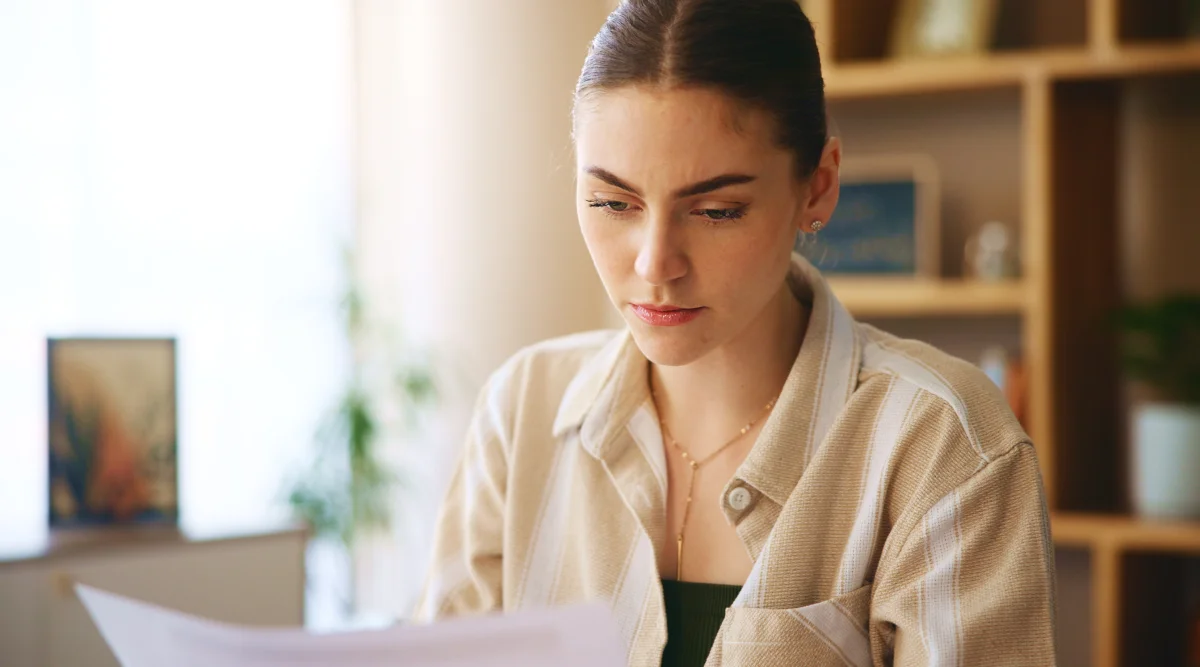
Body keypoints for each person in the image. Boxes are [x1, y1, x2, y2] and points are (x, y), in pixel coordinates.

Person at [414, 0, 1057, 665]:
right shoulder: (522, 410)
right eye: (612, 202)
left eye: (717, 210)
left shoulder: (941, 445)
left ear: (819, 187)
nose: (654, 262)